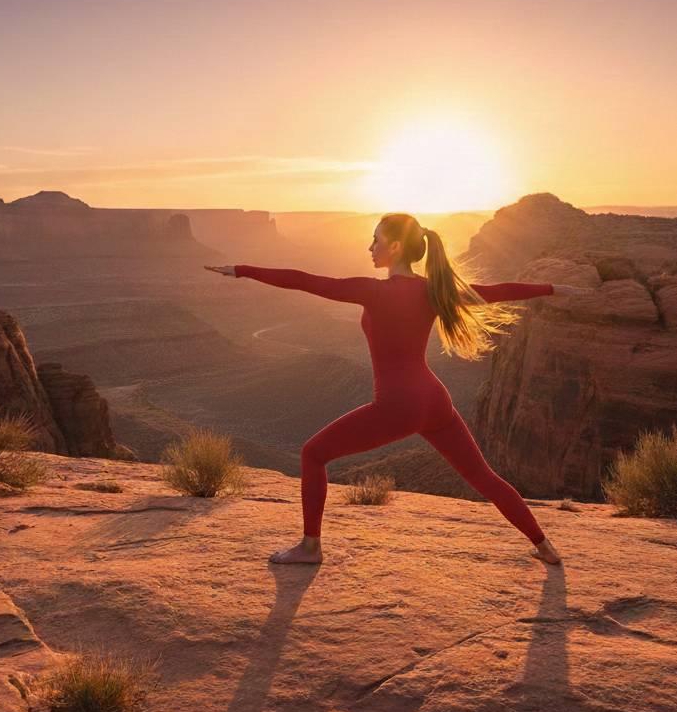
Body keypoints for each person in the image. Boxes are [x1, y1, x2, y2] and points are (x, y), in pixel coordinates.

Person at [205, 212, 590, 567]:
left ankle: (310, 547)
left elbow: (304, 280)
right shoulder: (435, 289)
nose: (369, 248)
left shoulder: (373, 291)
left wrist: (241, 270)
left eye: (375, 241)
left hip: (398, 406)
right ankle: (544, 547)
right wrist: (555, 288)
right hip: (435, 400)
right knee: (484, 478)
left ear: (395, 247)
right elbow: (496, 291)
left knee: (313, 454)